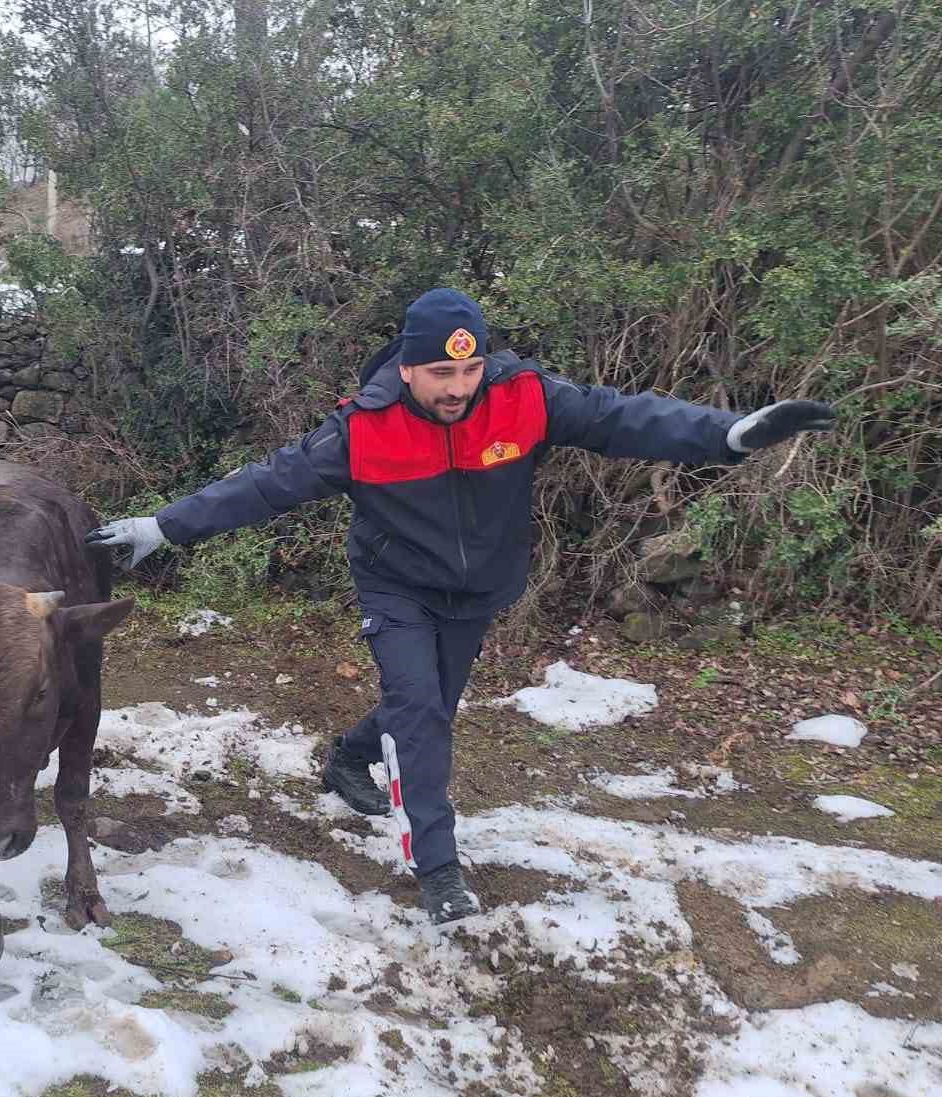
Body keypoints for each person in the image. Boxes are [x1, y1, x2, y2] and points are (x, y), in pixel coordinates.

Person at [85, 288, 834, 925]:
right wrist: (164, 526)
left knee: (431, 703)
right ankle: (439, 871)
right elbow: (264, 484)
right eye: (442, 372)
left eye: (471, 368)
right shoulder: (362, 430)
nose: (459, 386)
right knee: (421, 712)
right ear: (406, 367)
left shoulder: (524, 399)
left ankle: (347, 756)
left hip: (479, 591)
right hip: (397, 586)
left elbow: (625, 418)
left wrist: (729, 434)